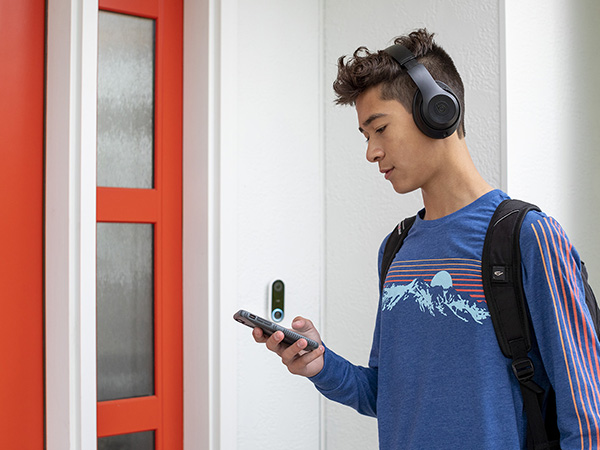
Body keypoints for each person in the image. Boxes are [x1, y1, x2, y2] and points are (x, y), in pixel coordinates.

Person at [252, 28, 600, 449]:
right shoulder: (396, 248)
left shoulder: (528, 236)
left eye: (379, 129)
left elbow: (585, 412)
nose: (371, 152)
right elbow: (385, 394)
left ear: (437, 112)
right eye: (366, 136)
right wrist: (320, 365)